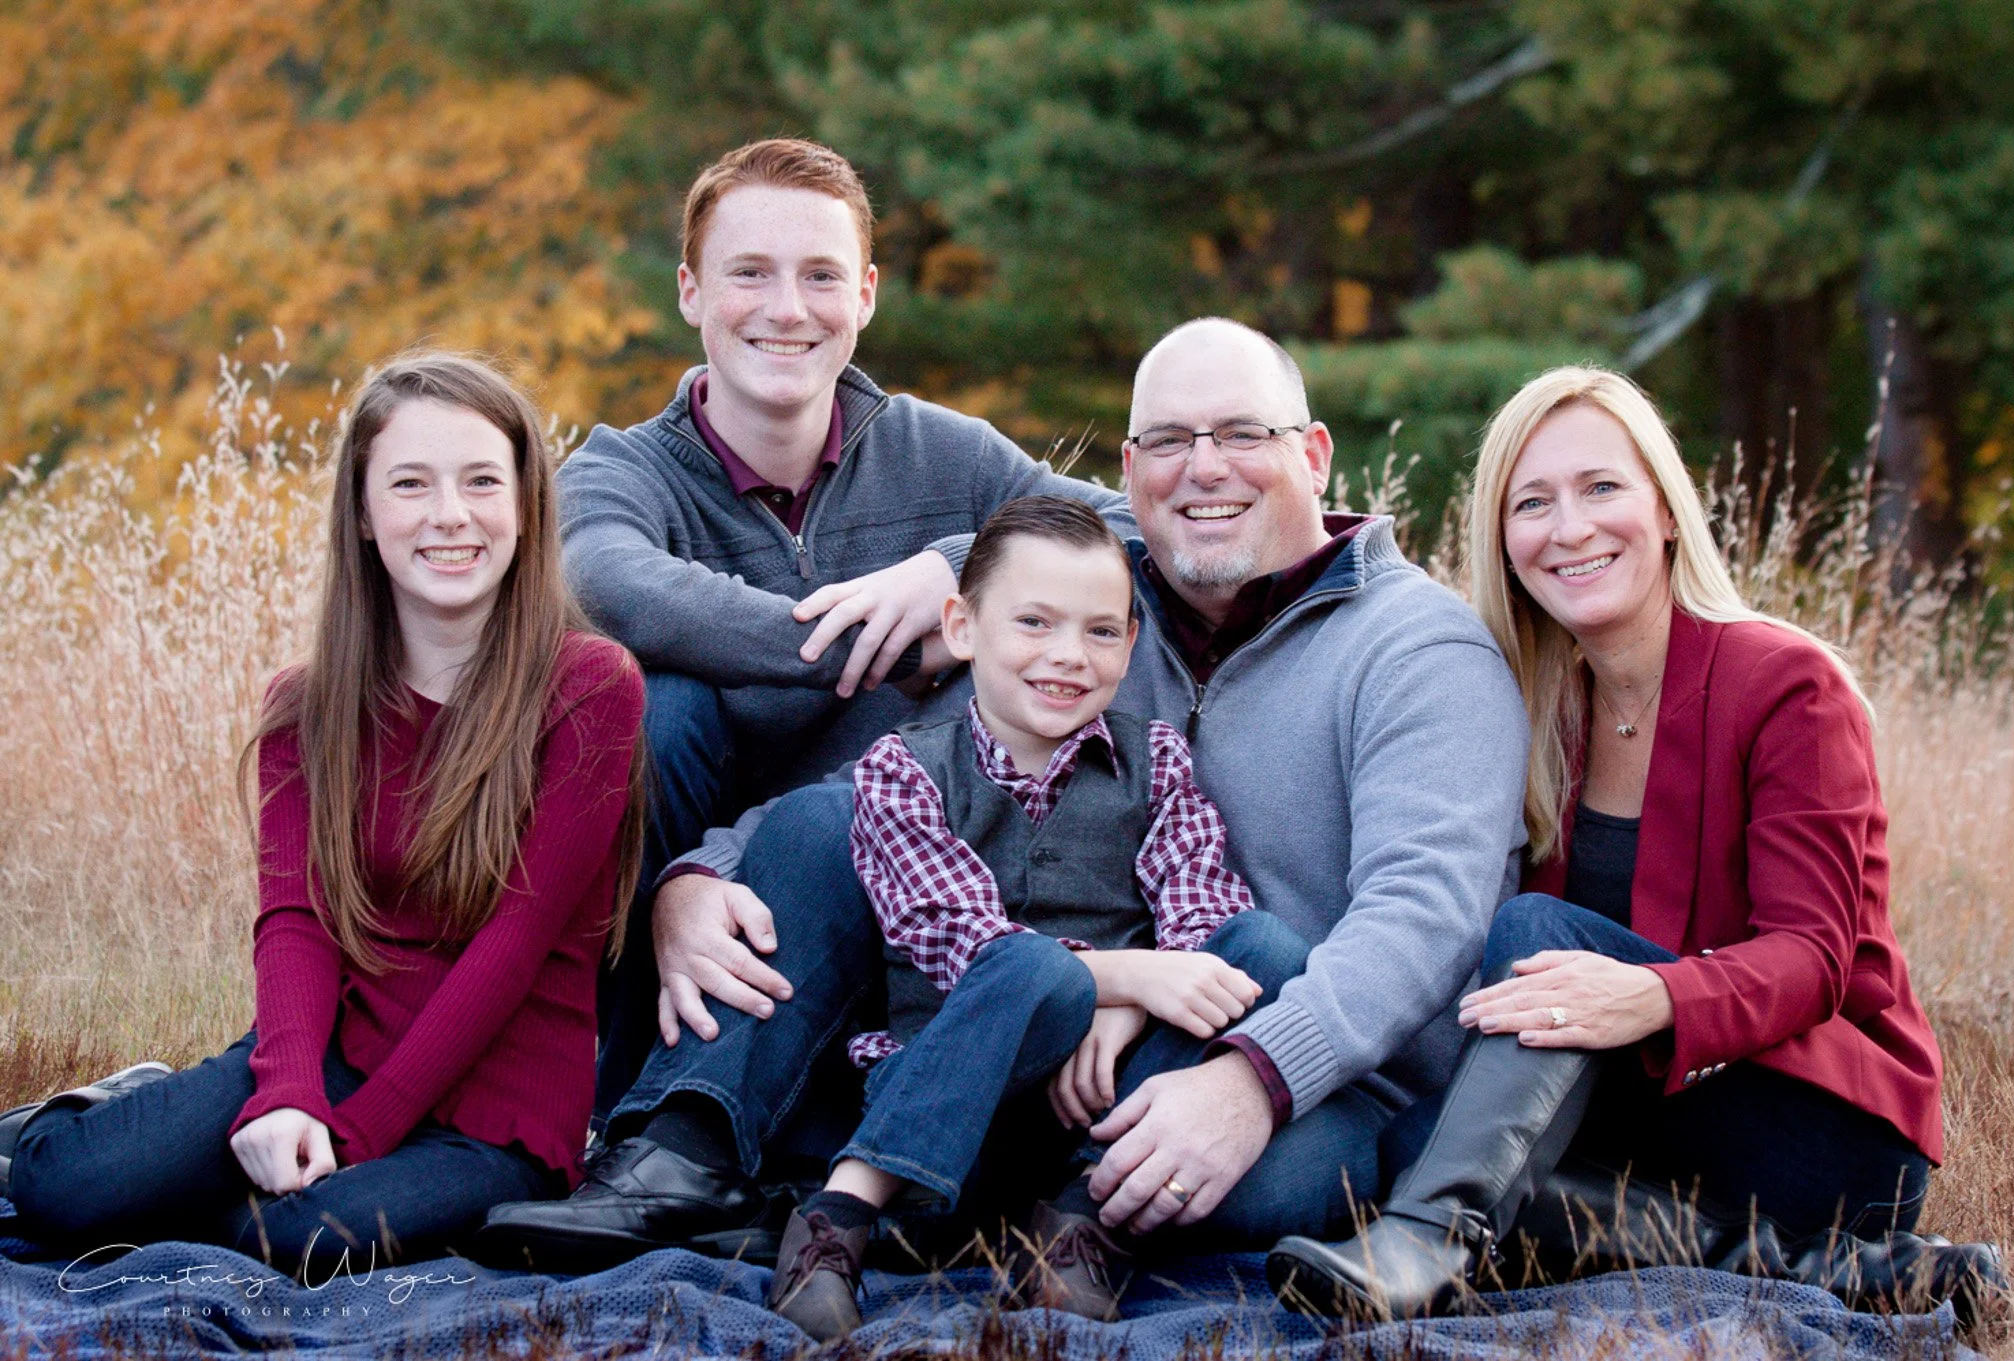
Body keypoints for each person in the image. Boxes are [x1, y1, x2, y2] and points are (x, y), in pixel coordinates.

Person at [476, 316, 1531, 1271]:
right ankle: (687, 1152)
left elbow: (1419, 918)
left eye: (1240, 435)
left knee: (1263, 1146)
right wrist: (696, 874)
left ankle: (897, 1203)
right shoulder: (1093, 601)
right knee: (820, 824)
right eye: (1167, 441)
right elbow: (897, 774)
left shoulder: (1416, 648)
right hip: (1043, 1019)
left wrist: (1250, 1075)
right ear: (1125, 472)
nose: (1202, 470)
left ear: (1311, 454)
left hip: (1282, 1065)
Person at [1266, 365, 2006, 1326]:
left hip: (1819, 1118)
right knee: (1409, 1146)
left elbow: (1816, 955)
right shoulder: (1533, 713)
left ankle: (1430, 1241)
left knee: (1534, 932)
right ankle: (1833, 1269)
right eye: (1532, 503)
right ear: (1506, 541)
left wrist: (1653, 994)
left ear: (1664, 508)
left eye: (1600, 488)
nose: (1569, 528)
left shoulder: (1786, 683)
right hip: (1652, 1123)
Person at [0, 354, 645, 1275]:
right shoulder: (307, 707)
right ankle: (115, 1107)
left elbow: (517, 940)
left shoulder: (588, 688)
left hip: (497, 1110)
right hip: (332, 1053)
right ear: (362, 514)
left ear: (527, 506)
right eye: (411, 484)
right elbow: (296, 918)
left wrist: (359, 1131)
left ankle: (207, 1150)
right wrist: (288, 1093)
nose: (450, 514)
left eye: (480, 482)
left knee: (291, 1239)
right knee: (60, 1188)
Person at [546, 137, 1133, 1126]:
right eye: (749, 273)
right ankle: (626, 1104)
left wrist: (947, 571)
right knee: (654, 706)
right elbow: (613, 584)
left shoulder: (943, 453)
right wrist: (887, 640)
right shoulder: (619, 472)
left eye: (819, 275)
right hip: (673, 897)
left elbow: (1119, 523)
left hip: (888, 876)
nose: (786, 308)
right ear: (689, 291)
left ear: (864, 295)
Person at [765, 496, 1309, 1339]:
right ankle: (840, 1218)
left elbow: (1204, 923)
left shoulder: (1155, 761)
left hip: (1095, 1122)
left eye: (1100, 632)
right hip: (953, 1122)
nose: (1067, 655)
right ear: (963, 623)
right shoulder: (903, 772)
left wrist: (1127, 1014)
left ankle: (1076, 1226)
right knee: (1029, 966)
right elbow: (960, 943)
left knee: (1264, 947)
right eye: (1033, 622)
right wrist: (1122, 976)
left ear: (1131, 645)